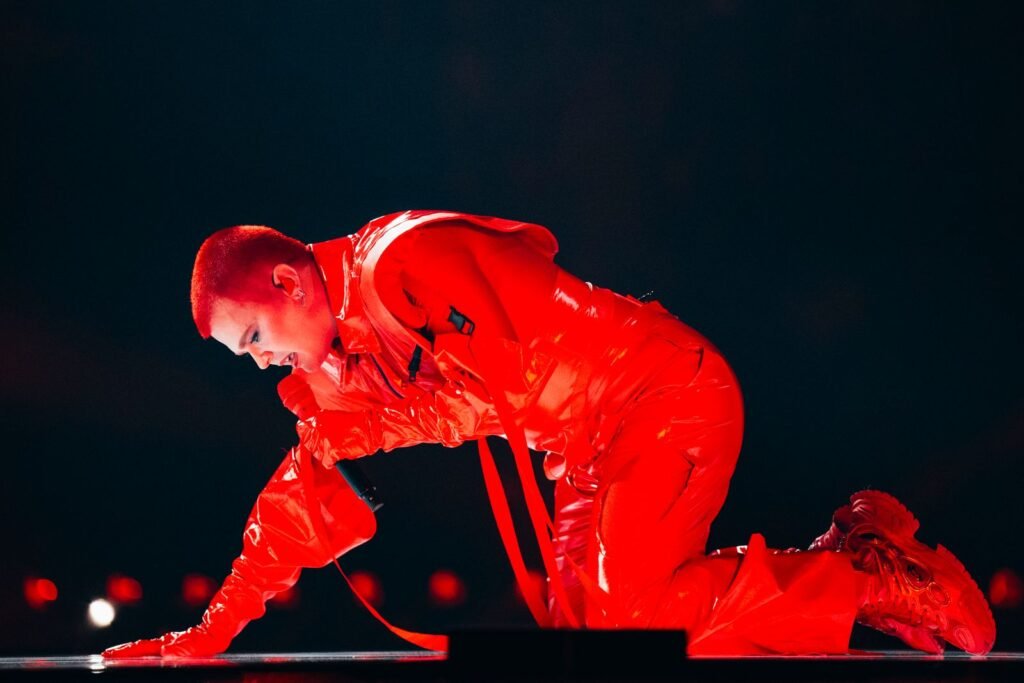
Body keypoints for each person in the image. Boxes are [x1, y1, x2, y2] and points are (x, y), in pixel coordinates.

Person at [103, 210, 996, 658]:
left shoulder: (407, 258)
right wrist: (206, 636)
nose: (260, 363)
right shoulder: (336, 366)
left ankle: (869, 575)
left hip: (661, 394)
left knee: (625, 612)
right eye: (242, 354)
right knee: (593, 645)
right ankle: (853, 547)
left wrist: (412, 393)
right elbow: (296, 496)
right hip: (589, 449)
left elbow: (518, 355)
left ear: (292, 282)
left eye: (254, 338)